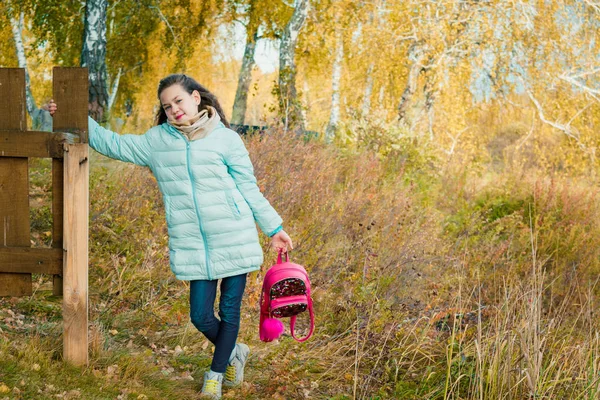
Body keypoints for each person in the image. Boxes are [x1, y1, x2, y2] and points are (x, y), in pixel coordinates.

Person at [47, 74, 293, 399]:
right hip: (192, 242)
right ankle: (234, 352)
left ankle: (215, 377)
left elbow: (249, 188)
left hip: (234, 235)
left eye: (178, 100)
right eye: (167, 106)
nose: (174, 109)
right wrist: (73, 118)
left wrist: (274, 229)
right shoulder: (157, 142)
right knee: (201, 315)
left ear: (194, 97)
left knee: (230, 311)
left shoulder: (226, 140)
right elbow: (115, 144)